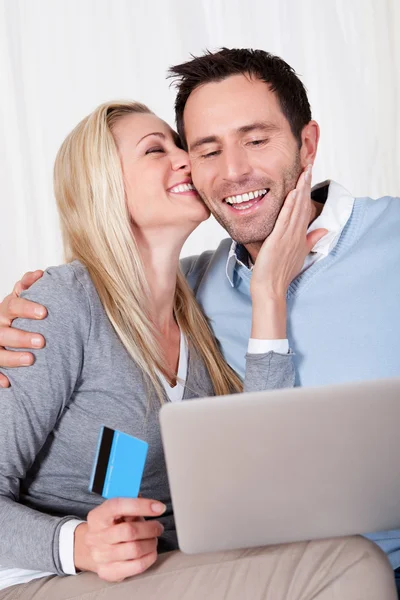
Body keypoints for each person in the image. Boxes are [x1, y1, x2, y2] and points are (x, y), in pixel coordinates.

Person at [0, 48, 398, 599]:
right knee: (350, 564)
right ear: (104, 186)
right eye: (160, 150)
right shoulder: (59, 305)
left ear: (306, 145)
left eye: (254, 140)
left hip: (170, 567)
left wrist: (266, 300)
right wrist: (74, 544)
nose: (195, 163)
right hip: (49, 575)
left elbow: (262, 455)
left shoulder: (198, 301)